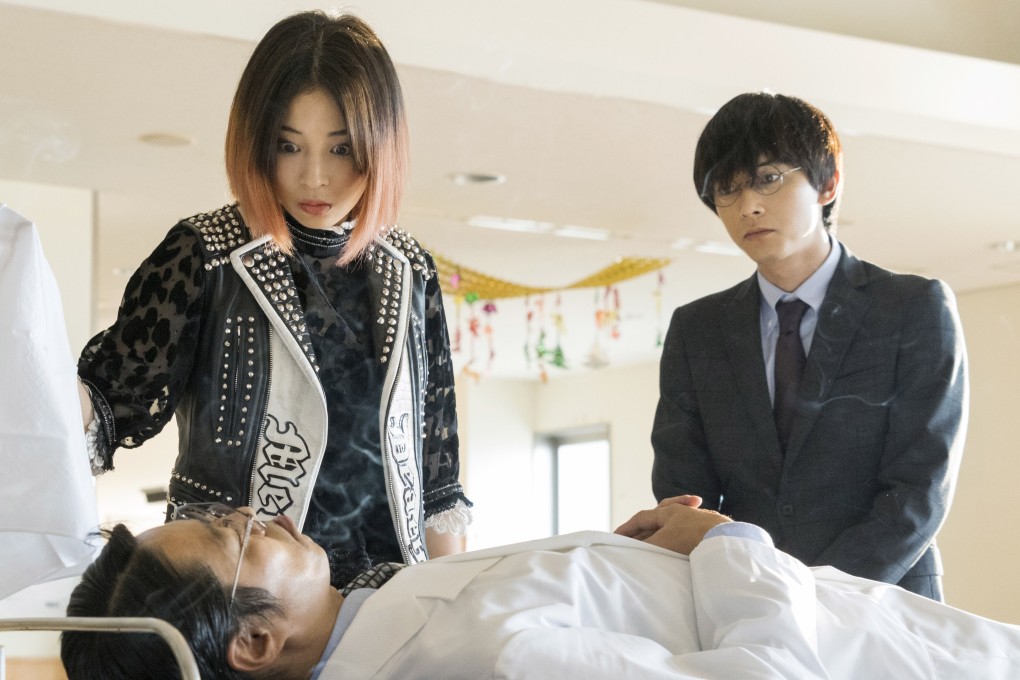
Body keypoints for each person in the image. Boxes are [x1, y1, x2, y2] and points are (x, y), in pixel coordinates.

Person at [74, 10, 470, 589]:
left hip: (386, 600)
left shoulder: (410, 270)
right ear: (256, 142)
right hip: (239, 602)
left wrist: (453, 603)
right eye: (289, 146)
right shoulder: (204, 254)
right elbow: (109, 402)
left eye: (341, 150)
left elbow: (437, 478)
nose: (314, 177)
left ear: (381, 147)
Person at [60, 498, 1020, 680]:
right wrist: (726, 543)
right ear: (255, 643)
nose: (264, 517)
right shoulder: (469, 654)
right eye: (239, 540)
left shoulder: (396, 616)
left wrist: (630, 555)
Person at [651, 91, 968, 600]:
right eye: (726, 191)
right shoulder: (697, 330)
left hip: (884, 601)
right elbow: (684, 491)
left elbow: (918, 490)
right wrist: (757, 588)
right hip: (744, 602)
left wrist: (814, 594)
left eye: (768, 179)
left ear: (827, 183)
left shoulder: (912, 307)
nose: (747, 206)